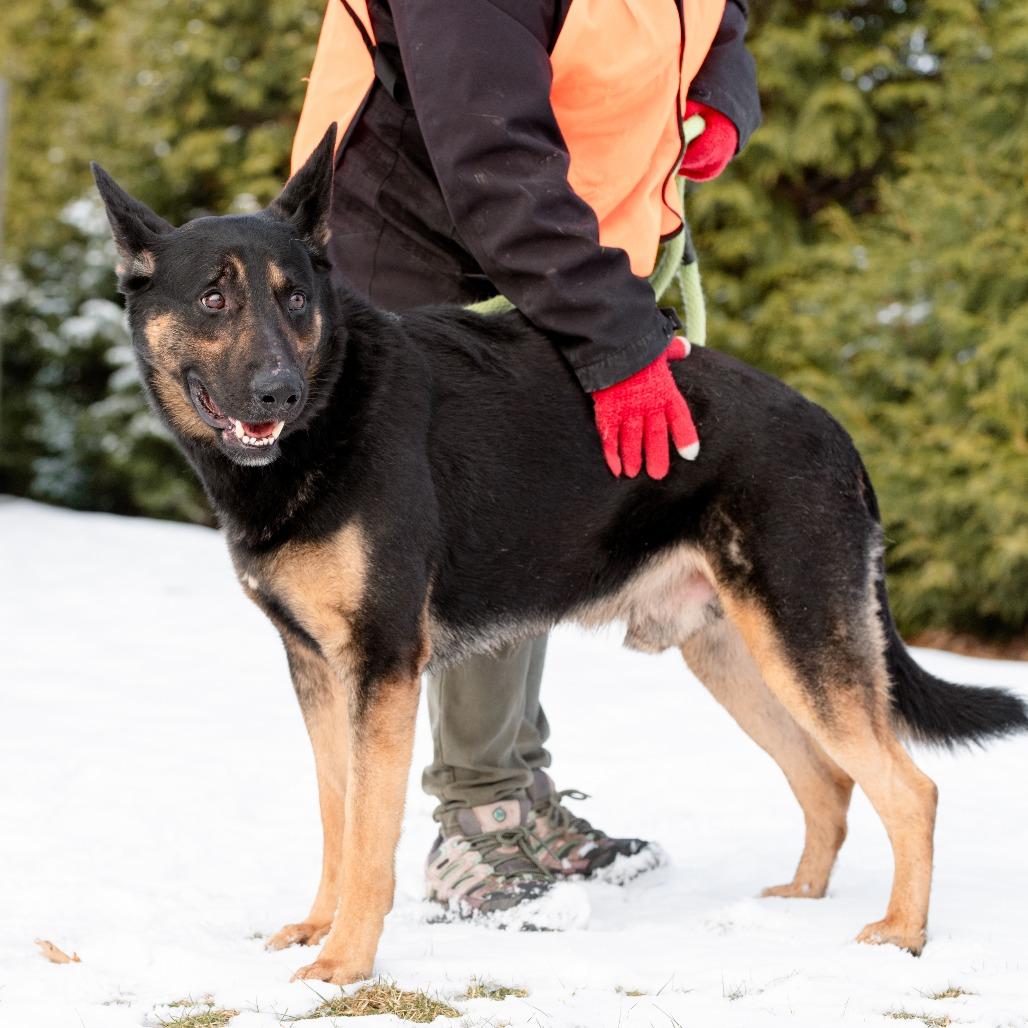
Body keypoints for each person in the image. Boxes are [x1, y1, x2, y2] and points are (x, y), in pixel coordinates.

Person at [291, 0, 761, 922]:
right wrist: (616, 343)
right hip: (421, 238)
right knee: (471, 524)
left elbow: (718, 14)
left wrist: (720, 96)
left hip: (564, 235)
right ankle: (478, 818)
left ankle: (515, 789)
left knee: (536, 510)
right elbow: (491, 150)